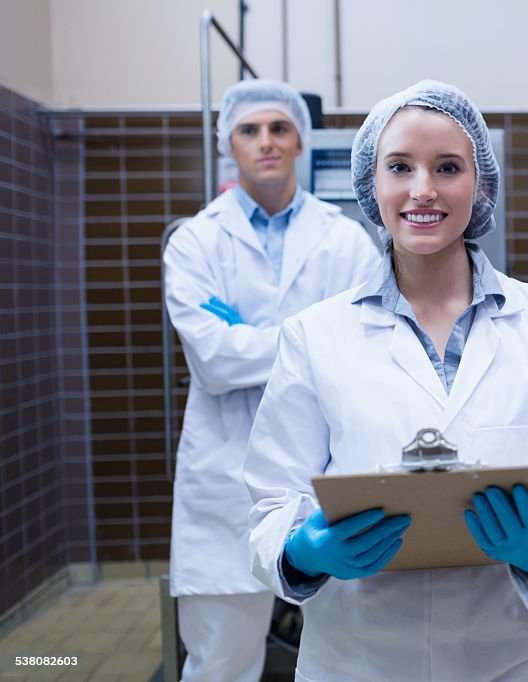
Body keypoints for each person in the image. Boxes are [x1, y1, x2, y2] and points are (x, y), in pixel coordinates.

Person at [244, 80, 528, 681]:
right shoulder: (314, 335)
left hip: (513, 660)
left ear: (481, 183)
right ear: (372, 182)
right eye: (400, 167)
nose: (423, 190)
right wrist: (301, 552)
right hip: (359, 658)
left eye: (447, 167)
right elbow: (271, 500)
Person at [163, 78, 380, 681]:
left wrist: (249, 333)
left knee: (350, 657)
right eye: (250, 130)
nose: (266, 142)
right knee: (219, 662)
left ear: (299, 141)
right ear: (227, 143)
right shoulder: (194, 243)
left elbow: (364, 350)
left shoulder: (346, 241)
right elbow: (213, 360)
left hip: (330, 467)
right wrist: (310, 336)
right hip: (225, 479)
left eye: (279, 128)